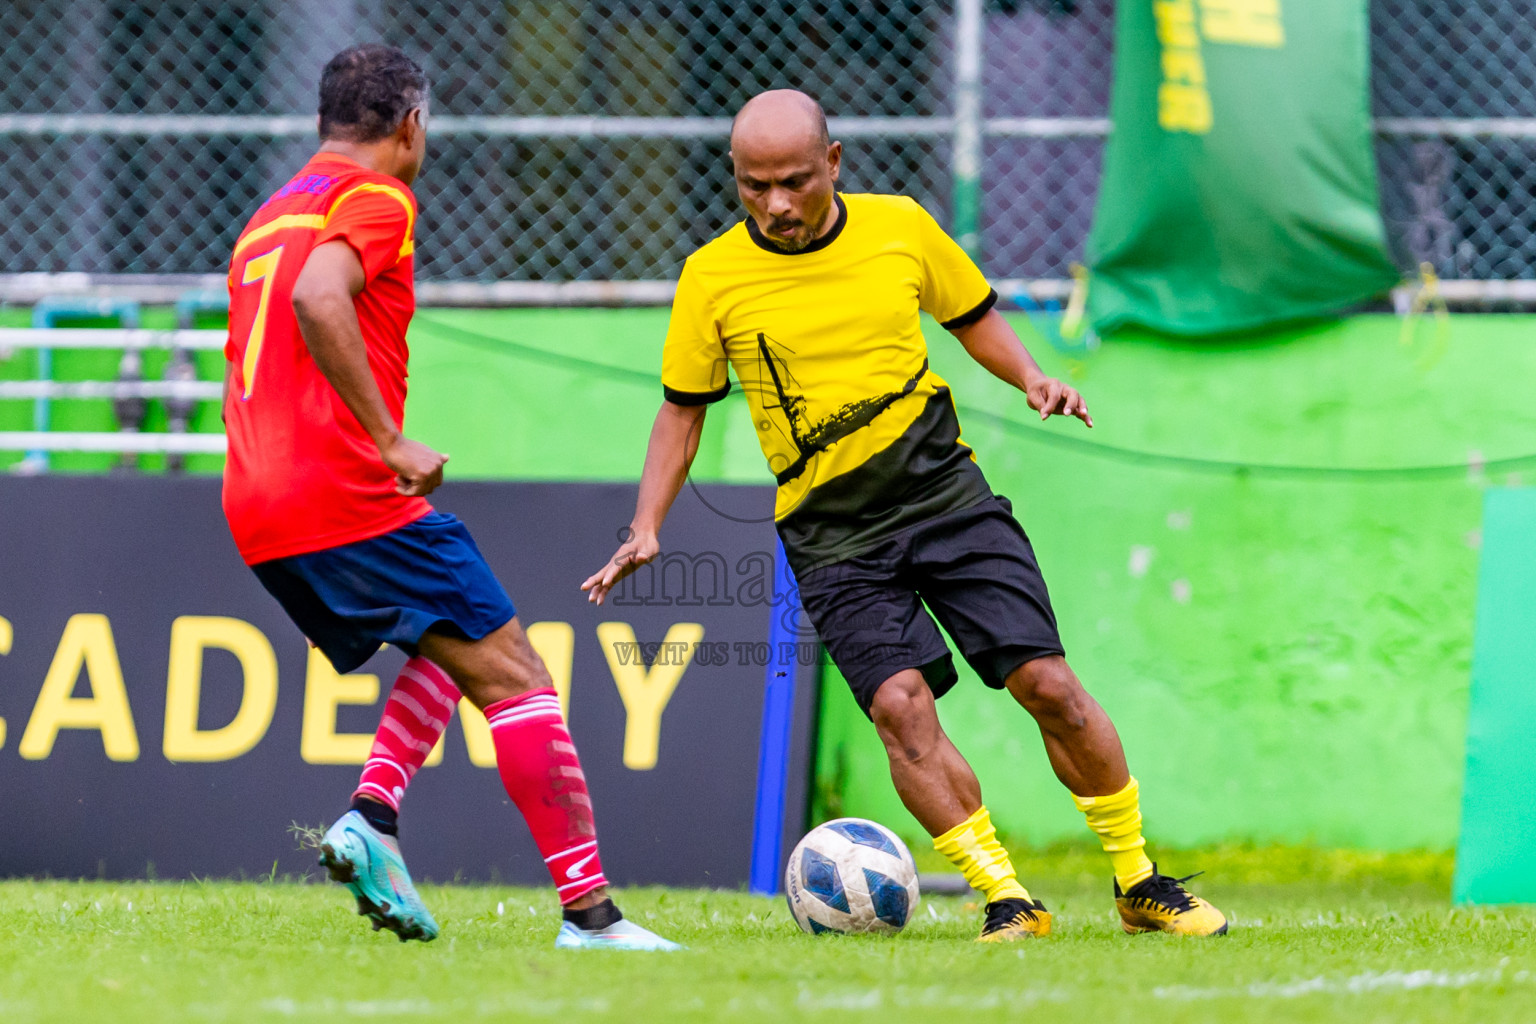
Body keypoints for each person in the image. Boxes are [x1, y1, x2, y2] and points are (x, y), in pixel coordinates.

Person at [582, 89, 1227, 941]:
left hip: (944, 496)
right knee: (899, 706)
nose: (776, 204)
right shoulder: (711, 277)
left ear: (836, 164)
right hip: (831, 532)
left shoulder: (901, 226)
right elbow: (683, 409)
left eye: (795, 182)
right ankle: (1006, 898)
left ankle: (1139, 881)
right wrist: (648, 522)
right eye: (753, 186)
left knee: (1051, 687)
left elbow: (974, 317)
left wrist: (1031, 378)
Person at [220, 44, 676, 951]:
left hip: (255, 501)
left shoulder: (271, 214)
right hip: (344, 490)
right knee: (520, 676)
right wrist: (388, 441)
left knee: (463, 638)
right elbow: (320, 298)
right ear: (411, 125)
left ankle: (374, 821)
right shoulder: (378, 197)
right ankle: (591, 919)